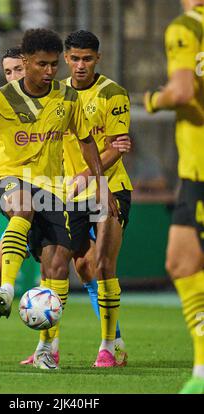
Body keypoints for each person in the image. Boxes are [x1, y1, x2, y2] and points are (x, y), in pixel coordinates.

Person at [0, 44, 130, 366]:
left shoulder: (65, 99)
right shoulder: (0, 100)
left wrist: (100, 180)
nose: (15, 76)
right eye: (8, 71)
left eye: (17, 71)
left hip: (54, 191)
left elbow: (87, 140)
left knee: (63, 266)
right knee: (0, 264)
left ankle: (53, 349)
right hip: (13, 183)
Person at [23, 30, 133, 368]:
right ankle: (47, 347)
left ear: (97, 58)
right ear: (66, 59)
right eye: (75, 58)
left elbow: (118, 143)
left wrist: (91, 177)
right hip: (65, 193)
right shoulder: (57, 95)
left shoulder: (112, 94)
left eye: (87, 58)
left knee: (101, 265)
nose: (81, 65)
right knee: (60, 266)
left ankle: (109, 345)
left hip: (109, 188)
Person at [144, 0, 204, 394]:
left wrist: (153, 99)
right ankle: (201, 372)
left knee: (182, 261)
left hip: (201, 167)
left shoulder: (185, 26)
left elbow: (181, 90)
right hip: (192, 173)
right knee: (182, 262)